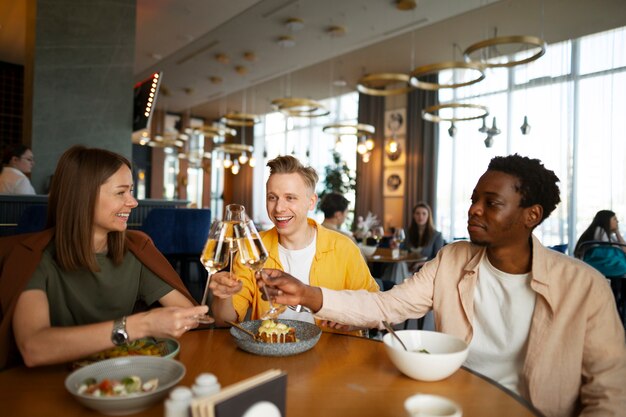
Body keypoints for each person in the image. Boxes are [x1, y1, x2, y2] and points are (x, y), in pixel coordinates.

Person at [257, 154, 626, 417]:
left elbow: (610, 393)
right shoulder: (453, 259)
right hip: (449, 403)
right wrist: (309, 295)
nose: (474, 210)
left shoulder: (585, 287)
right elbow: (386, 307)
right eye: (473, 200)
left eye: (491, 203)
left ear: (531, 216)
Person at [0, 146, 207, 369]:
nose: (133, 202)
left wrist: (215, 294)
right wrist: (138, 326)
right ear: (83, 196)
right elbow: (34, 347)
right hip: (47, 387)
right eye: (121, 192)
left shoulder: (135, 249)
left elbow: (189, 318)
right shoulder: (33, 256)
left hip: (125, 380)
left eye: (131, 191)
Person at [209, 155, 378, 332]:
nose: (279, 208)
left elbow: (376, 308)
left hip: (335, 355)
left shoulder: (344, 249)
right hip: (270, 354)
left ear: (311, 202)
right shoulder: (252, 248)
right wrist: (223, 296)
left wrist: (353, 321)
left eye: (290, 198)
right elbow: (224, 321)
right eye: (272, 197)